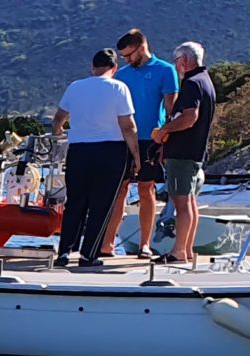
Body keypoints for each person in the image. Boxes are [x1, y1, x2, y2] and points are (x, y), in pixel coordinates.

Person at [53, 49, 142, 268]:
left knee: (75, 203)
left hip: (79, 150)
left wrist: (59, 132)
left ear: (93, 68)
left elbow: (58, 118)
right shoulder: (118, 87)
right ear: (114, 68)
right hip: (111, 150)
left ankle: (64, 251)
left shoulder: (76, 86)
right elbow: (128, 126)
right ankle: (89, 254)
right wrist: (136, 155)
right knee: (101, 204)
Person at [98, 29, 180, 258]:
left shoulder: (166, 70)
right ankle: (107, 243)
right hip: (122, 139)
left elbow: (171, 110)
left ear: (141, 48)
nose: (125, 60)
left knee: (146, 189)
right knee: (120, 190)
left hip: (150, 140)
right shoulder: (121, 76)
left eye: (128, 55)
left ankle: (145, 244)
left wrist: (166, 138)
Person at [155, 41, 220, 265]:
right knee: (190, 202)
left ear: (183, 60)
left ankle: (178, 252)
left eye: (176, 62)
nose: (176, 66)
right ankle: (187, 249)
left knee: (181, 204)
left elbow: (189, 117)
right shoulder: (207, 82)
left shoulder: (192, 83)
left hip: (182, 153)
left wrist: (164, 130)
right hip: (194, 152)